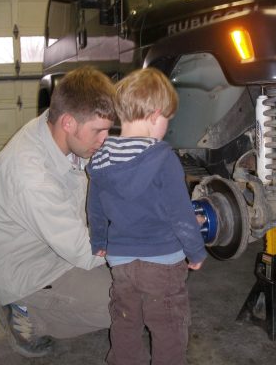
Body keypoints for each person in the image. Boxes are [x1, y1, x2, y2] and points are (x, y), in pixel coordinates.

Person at [0, 66, 116, 358]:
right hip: (27, 270)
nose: (105, 139)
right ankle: (24, 311)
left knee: (137, 277)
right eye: (99, 131)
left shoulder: (56, 128)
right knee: (130, 302)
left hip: (56, 242)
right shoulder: (32, 178)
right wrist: (146, 237)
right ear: (69, 122)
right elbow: (87, 252)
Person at [86, 67, 207, 365]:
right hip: (163, 262)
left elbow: (95, 208)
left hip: (121, 262)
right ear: (155, 116)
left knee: (126, 321)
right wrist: (196, 251)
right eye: (167, 119)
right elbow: (180, 213)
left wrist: (98, 241)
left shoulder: (101, 159)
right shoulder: (163, 158)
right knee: (168, 327)